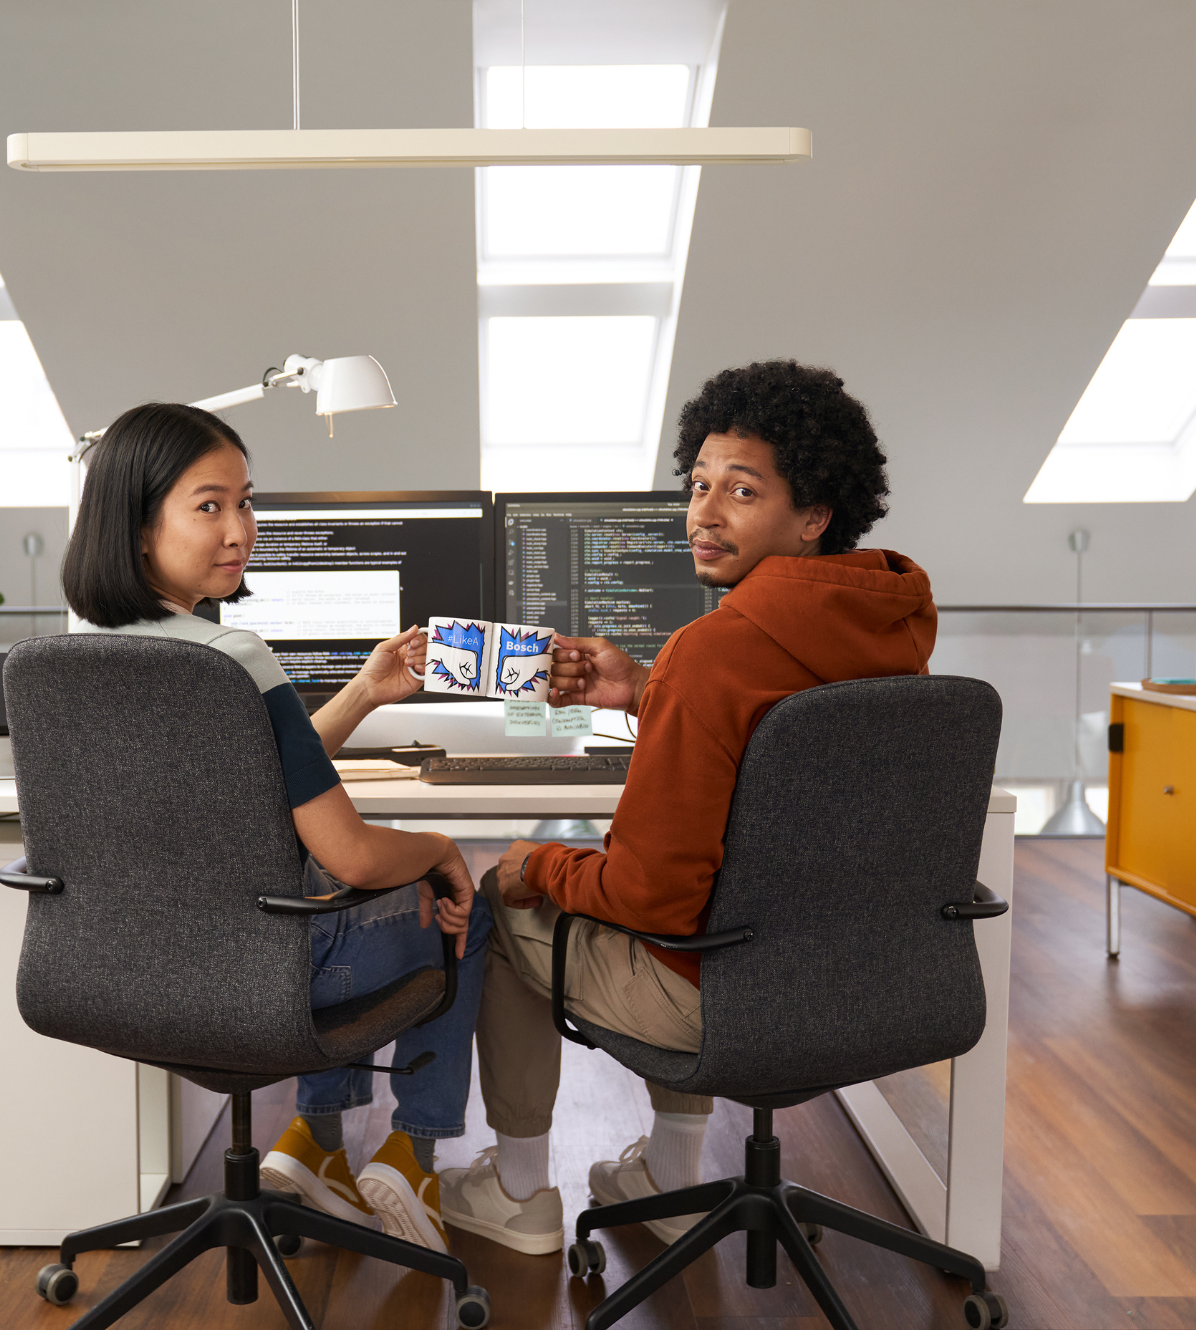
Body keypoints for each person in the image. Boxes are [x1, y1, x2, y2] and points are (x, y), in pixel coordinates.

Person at [436, 360, 937, 1256]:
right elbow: (784, 761)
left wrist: (535, 866)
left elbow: (654, 899)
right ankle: (670, 1180)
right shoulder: (889, 626)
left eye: (740, 491)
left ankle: (517, 1197)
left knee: (502, 901)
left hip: (719, 991)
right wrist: (649, 691)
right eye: (698, 484)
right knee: (694, 898)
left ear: (814, 513)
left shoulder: (716, 650)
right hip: (861, 976)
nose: (703, 513)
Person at [61, 402, 492, 1254]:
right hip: (265, 973)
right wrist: (444, 853)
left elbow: (256, 783)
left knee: (327, 895)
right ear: (139, 527)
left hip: (118, 972)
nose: (240, 529)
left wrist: (364, 692)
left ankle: (314, 1145)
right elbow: (354, 853)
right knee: (459, 906)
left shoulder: (79, 656)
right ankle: (413, 1151)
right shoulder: (233, 659)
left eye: (246, 502)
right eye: (209, 505)